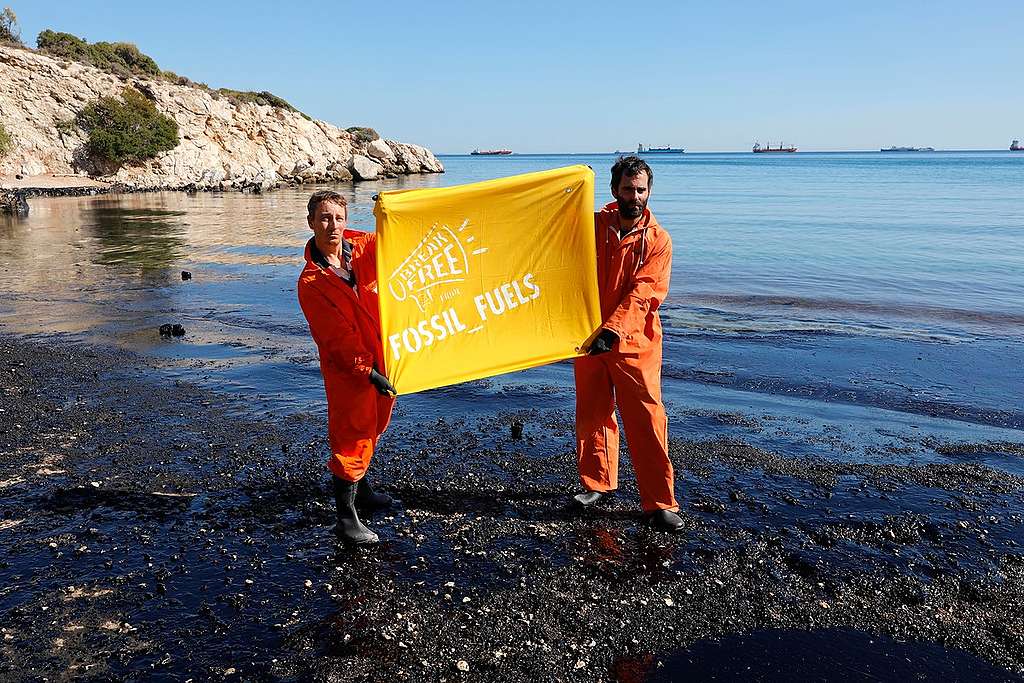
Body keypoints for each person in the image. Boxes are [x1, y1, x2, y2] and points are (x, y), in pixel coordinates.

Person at [572, 156, 683, 532]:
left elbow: (645, 293)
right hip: (589, 340)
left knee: (648, 419)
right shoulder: (592, 226)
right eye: (627, 189)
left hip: (636, 343)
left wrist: (614, 330)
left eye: (641, 190)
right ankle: (597, 484)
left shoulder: (658, 240)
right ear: (614, 190)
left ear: (649, 192)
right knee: (593, 414)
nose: (634, 196)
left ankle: (659, 502)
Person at [297, 190, 397, 545]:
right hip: (348, 370)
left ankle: (364, 491)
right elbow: (335, 339)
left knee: (374, 424)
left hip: (383, 356)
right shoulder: (311, 282)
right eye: (324, 218)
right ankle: (346, 519)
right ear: (311, 222)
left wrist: (392, 208)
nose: (332, 226)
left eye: (338, 218)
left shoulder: (364, 248)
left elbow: (401, 240)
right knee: (352, 435)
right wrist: (365, 370)